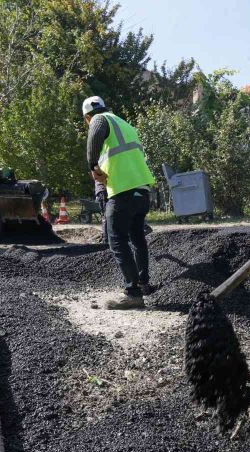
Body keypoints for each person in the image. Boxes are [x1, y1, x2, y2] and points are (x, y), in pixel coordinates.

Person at [83, 96, 156, 309]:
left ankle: (132, 293)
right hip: (142, 190)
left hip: (123, 191)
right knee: (137, 237)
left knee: (116, 240)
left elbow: (95, 135)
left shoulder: (99, 119)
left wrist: (93, 166)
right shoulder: (125, 124)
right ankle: (143, 283)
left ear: (87, 117)